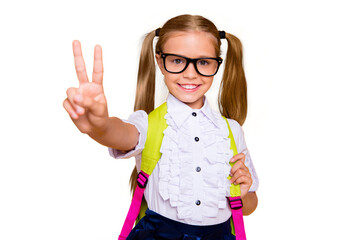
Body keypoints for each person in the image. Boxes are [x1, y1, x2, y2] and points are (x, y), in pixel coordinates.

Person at [63, 14, 259, 240]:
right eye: (177, 60)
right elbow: (119, 134)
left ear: (217, 63)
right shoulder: (149, 124)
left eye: (203, 62)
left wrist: (243, 192)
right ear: (159, 61)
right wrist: (98, 125)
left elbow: (249, 206)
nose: (190, 73)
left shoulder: (231, 131)